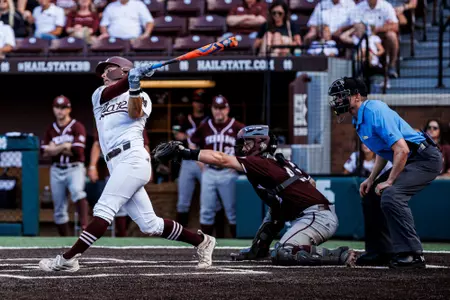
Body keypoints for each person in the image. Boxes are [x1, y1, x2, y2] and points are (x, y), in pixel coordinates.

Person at [39, 56, 216, 272]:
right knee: (150, 225)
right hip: (115, 163)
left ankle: (67, 259)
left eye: (108, 70)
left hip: (133, 157)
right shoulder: (99, 95)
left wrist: (133, 84)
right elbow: (111, 92)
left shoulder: (142, 96)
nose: (103, 74)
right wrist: (131, 78)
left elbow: (135, 113)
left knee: (103, 209)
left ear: (122, 70)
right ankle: (202, 242)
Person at [153, 125, 356, 266]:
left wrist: (185, 152)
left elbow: (221, 159)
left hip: (316, 217)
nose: (243, 147)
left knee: (283, 252)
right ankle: (257, 251)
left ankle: (339, 254)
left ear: (261, 143)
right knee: (275, 210)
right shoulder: (280, 162)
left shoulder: (261, 162)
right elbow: (310, 183)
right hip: (315, 213)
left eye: (248, 143)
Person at [328, 77, 442, 268]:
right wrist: (371, 179)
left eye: (341, 96)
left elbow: (402, 150)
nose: (337, 101)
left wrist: (389, 181)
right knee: (371, 194)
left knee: (391, 195)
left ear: (356, 96)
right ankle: (380, 251)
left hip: (425, 158)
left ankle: (413, 254)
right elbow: (385, 151)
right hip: (409, 157)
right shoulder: (360, 119)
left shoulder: (374, 110)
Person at [188, 95, 245, 238]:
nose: (219, 112)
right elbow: (192, 142)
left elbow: (249, 146)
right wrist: (199, 162)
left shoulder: (238, 127)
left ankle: (237, 243)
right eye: (216, 108)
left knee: (232, 211)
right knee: (206, 211)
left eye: (222, 108)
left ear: (227, 109)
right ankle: (205, 244)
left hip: (229, 173)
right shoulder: (205, 126)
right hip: (209, 172)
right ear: (212, 109)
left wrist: (239, 163)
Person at [86, 126, 150, 237]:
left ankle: (122, 233)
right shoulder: (106, 118)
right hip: (113, 167)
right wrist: (92, 166)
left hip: (134, 165)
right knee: (112, 205)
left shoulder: (136, 121)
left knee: (148, 221)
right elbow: (97, 144)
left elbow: (145, 146)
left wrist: (147, 165)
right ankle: (121, 234)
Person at [41, 95, 90, 236]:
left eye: (63, 108)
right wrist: (65, 146)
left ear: (69, 109)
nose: (60, 111)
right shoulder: (51, 129)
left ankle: (85, 228)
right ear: (53, 109)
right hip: (56, 169)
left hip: (74, 167)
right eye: (57, 107)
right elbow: (44, 151)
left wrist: (54, 148)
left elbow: (77, 151)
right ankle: (65, 240)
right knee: (59, 208)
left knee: (77, 191)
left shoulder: (77, 126)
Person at [174, 89, 209, 227]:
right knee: (183, 201)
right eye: (196, 101)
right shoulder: (185, 119)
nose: (199, 104)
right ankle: (180, 233)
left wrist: (187, 137)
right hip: (188, 162)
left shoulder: (209, 119)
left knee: (210, 201)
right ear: (193, 103)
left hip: (205, 160)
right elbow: (177, 135)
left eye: (201, 102)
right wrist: (180, 136)